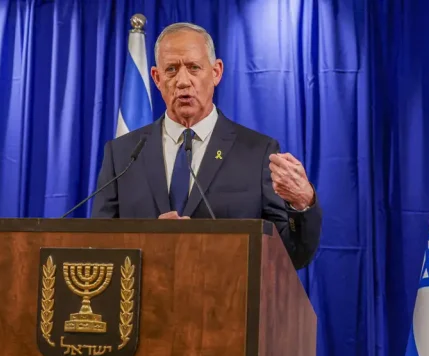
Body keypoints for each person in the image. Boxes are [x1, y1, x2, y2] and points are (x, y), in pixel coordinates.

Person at [91, 22, 322, 269]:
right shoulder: (122, 154)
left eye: (193, 68)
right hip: (140, 303)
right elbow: (99, 246)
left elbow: (291, 255)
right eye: (171, 69)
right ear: (157, 78)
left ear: (216, 72)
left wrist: (302, 204)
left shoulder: (257, 153)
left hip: (227, 302)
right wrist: (150, 238)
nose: (182, 81)